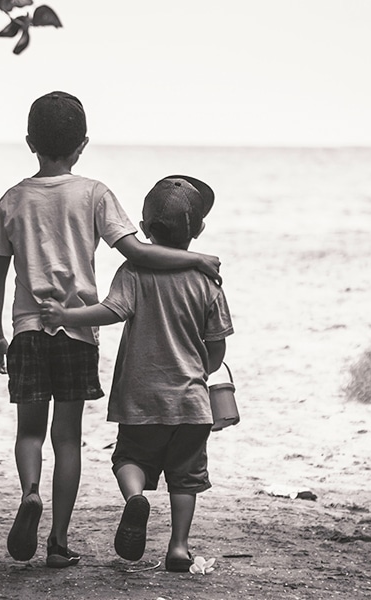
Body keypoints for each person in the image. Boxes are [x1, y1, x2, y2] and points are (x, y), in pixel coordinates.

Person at [0, 92, 221, 567]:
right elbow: (139, 253)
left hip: (29, 330)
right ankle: (58, 542)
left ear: (30, 141)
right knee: (67, 437)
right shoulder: (94, 193)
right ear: (82, 144)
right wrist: (196, 257)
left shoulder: (12, 198)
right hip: (75, 336)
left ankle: (30, 493)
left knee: (30, 432)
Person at [39, 175, 233, 572]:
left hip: (139, 398)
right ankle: (178, 547)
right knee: (185, 478)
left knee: (128, 458)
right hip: (191, 403)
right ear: (198, 231)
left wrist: (67, 315)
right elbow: (217, 344)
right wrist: (207, 368)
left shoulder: (134, 270)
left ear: (143, 230)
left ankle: (135, 499)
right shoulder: (206, 280)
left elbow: (111, 311)